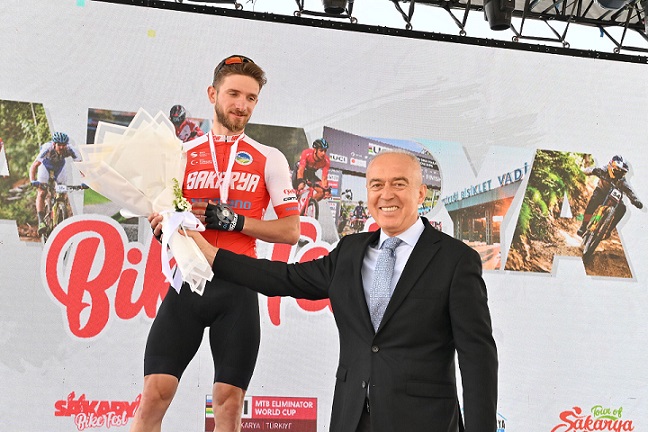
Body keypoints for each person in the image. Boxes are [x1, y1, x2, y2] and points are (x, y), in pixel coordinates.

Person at [163, 150, 499, 432]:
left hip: (425, 422)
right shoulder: (350, 252)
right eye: (377, 185)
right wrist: (210, 254)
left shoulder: (456, 260)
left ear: (421, 194)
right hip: (351, 419)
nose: (386, 194)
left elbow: (478, 358)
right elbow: (283, 278)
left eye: (399, 184)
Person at [131, 55, 301, 432]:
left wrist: (235, 221)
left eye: (251, 98)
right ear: (213, 94)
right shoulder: (181, 154)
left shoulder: (269, 158)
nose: (242, 105)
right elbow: (164, 214)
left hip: (237, 286)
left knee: (228, 403)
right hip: (187, 283)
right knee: (153, 396)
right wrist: (162, 226)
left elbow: (291, 230)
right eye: (234, 94)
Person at [577, 154, 643, 238]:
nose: (619, 174)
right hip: (601, 191)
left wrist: (636, 201)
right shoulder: (603, 170)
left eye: (622, 172)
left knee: (622, 209)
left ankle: (608, 230)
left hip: (614, 197)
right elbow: (588, 170)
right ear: (611, 167)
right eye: (618, 171)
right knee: (592, 204)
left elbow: (630, 192)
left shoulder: (622, 181)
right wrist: (589, 171)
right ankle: (583, 226)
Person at [29, 132, 80, 235]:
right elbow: (34, 165)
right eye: (59, 145)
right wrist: (33, 181)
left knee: (62, 191)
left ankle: (60, 211)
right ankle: (41, 221)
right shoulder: (47, 148)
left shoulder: (70, 149)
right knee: (42, 192)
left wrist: (86, 180)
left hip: (59, 167)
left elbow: (81, 165)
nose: (61, 147)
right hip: (45, 166)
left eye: (64, 145)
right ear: (54, 144)